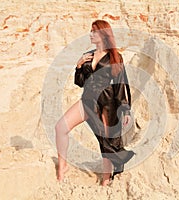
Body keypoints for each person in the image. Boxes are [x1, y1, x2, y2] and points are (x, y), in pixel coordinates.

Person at [55, 20, 135, 186]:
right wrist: (78, 66)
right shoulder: (88, 55)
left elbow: (121, 83)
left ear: (103, 34)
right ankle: (62, 168)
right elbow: (80, 83)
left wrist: (125, 110)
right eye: (90, 31)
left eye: (94, 31)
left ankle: (106, 179)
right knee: (60, 127)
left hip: (107, 103)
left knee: (106, 142)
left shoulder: (115, 56)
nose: (90, 34)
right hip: (87, 100)